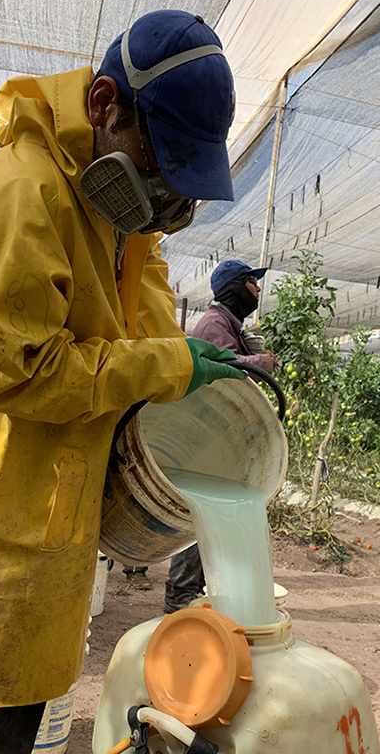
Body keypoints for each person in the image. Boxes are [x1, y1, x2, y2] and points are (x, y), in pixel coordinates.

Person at [0, 10, 245, 754]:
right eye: (161, 167)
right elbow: (22, 370)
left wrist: (179, 365)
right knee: (8, 689)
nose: (166, 199)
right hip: (4, 483)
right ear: (104, 106)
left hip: (47, 478)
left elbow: (144, 311)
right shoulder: (20, 195)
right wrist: (170, 366)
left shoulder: (115, 213)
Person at [164, 259, 279, 614]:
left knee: (211, 514)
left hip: (214, 436)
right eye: (251, 283)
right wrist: (262, 362)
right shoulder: (215, 324)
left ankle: (193, 590)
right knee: (203, 512)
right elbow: (225, 370)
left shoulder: (229, 325)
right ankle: (180, 594)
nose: (257, 290)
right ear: (234, 287)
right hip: (202, 437)